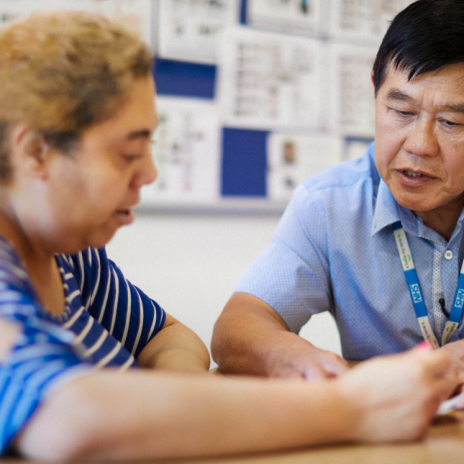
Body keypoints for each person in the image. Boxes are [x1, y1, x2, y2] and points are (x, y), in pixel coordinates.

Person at [0, 10, 456, 463]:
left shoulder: (72, 258)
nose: (150, 173)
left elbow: (167, 337)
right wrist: (356, 407)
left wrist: (178, 407)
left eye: (453, 122)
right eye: (128, 153)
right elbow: (69, 419)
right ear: (35, 151)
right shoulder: (331, 201)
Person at [211, 0, 464, 382]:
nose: (419, 145)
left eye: (451, 122)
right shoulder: (329, 205)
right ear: (375, 92)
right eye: (401, 112)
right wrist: (297, 358)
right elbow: (236, 328)